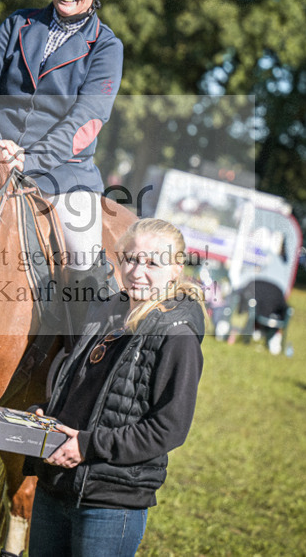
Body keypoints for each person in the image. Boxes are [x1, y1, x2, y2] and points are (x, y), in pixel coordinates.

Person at [26, 218, 205, 557]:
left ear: (175, 269)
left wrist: (87, 446)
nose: (137, 271)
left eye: (152, 263)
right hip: (55, 485)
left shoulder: (177, 338)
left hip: (110, 503)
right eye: (131, 259)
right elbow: (82, 389)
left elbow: (168, 429)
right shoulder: (105, 311)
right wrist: (47, 417)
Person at [0, 0, 123, 327]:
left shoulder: (107, 48)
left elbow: (87, 120)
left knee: (84, 257)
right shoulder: (17, 24)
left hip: (63, 174)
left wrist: (29, 158)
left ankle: (78, 359)